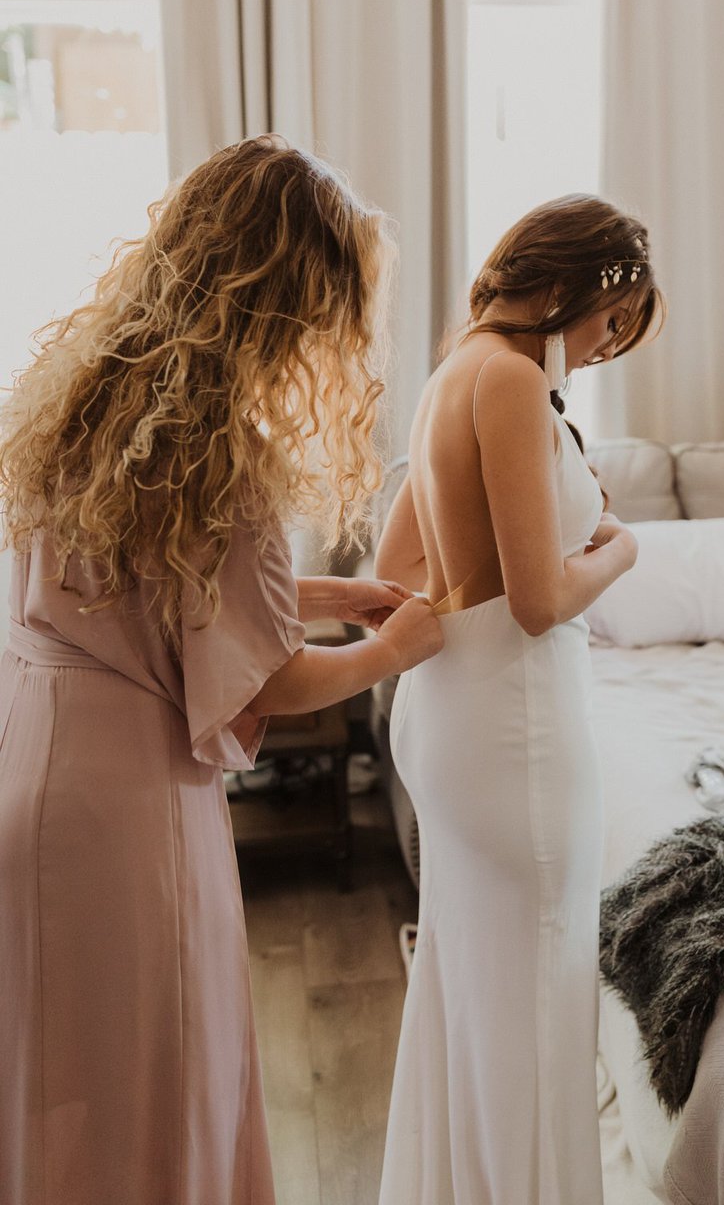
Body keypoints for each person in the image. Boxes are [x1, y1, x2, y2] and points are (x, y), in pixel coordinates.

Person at [0, 136, 443, 1205]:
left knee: (56, 1079)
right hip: (124, 799)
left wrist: (330, 600)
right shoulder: (219, 445)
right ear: (291, 296)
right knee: (156, 1076)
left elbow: (155, 598)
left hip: (31, 754)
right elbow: (262, 683)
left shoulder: (89, 396)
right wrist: (393, 649)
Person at [375, 194, 664, 1205]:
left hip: (450, 715)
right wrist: (616, 548)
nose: (597, 348)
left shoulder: (454, 370)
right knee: (539, 1009)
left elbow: (398, 561)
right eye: (606, 321)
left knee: (472, 996)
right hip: (517, 728)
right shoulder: (506, 380)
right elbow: (540, 602)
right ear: (573, 283)